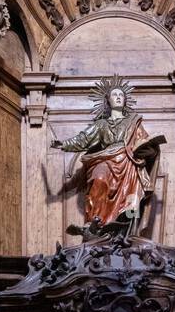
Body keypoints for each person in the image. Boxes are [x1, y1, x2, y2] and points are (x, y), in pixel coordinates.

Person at [50, 76, 164, 239]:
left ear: (125, 101)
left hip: (129, 165)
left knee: (131, 199)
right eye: (114, 95)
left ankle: (127, 232)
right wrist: (63, 144)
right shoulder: (101, 124)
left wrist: (150, 148)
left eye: (121, 95)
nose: (118, 97)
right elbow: (83, 139)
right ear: (108, 101)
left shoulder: (134, 123)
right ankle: (96, 226)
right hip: (105, 160)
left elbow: (144, 143)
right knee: (99, 178)